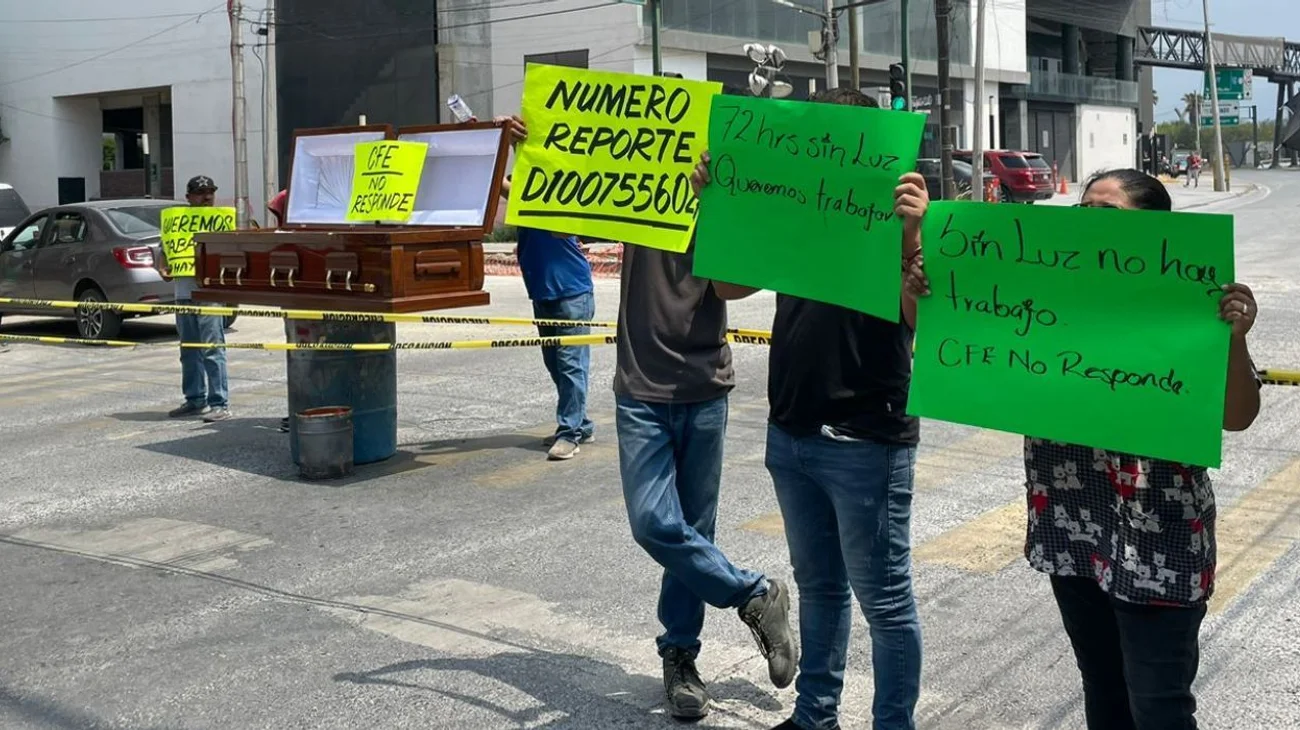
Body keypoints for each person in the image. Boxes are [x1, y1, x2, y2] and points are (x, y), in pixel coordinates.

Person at [905, 168, 1261, 730]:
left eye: (1107, 211)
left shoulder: (1190, 295)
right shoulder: (1044, 281)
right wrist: (926, 282)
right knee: (1103, 687)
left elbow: (1238, 416)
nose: (1089, 221)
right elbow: (948, 331)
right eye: (1084, 209)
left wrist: (1234, 340)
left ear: (1155, 228)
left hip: (1160, 536)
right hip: (1072, 528)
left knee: (1159, 704)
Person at [691, 86, 932, 730]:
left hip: (868, 435)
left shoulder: (901, 211)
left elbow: (921, 319)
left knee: (885, 602)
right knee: (820, 587)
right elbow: (728, 283)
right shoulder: (792, 206)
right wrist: (719, 202)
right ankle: (814, 715)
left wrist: (912, 232)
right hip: (792, 427)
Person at [495, 116, 596, 461]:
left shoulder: (556, 190)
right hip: (542, 291)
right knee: (556, 364)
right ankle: (581, 423)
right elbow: (502, 184)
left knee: (570, 365)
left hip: (571, 292)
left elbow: (512, 189)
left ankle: (569, 432)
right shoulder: (527, 188)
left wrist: (509, 146)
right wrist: (501, 141)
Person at [160, 175, 232, 422]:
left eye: (210, 192)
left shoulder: (221, 222)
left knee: (213, 349)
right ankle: (194, 400)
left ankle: (219, 403)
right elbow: (164, 249)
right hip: (184, 293)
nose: (207, 197)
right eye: (201, 193)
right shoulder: (176, 221)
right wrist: (163, 266)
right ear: (188, 197)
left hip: (211, 294)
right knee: (189, 349)